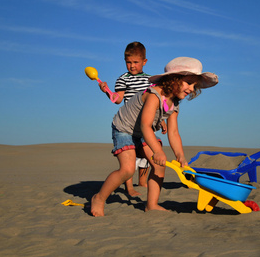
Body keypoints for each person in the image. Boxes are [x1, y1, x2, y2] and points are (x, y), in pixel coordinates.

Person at [91, 57, 218, 216]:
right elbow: (145, 125)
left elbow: (173, 132)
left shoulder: (175, 103)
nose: (191, 88)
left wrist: (180, 156)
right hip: (125, 128)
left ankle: (151, 204)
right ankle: (99, 198)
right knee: (128, 169)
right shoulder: (154, 94)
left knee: (159, 166)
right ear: (174, 79)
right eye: (188, 82)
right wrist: (157, 150)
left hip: (143, 132)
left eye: (194, 85)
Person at [97, 41, 160, 197]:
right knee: (128, 163)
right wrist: (106, 91)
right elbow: (118, 99)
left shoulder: (150, 80)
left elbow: (155, 102)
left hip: (144, 125)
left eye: (136, 62)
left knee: (153, 159)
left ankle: (150, 193)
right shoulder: (123, 79)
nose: (132, 66)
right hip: (127, 124)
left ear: (144, 62)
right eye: (128, 62)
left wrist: (161, 120)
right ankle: (129, 188)